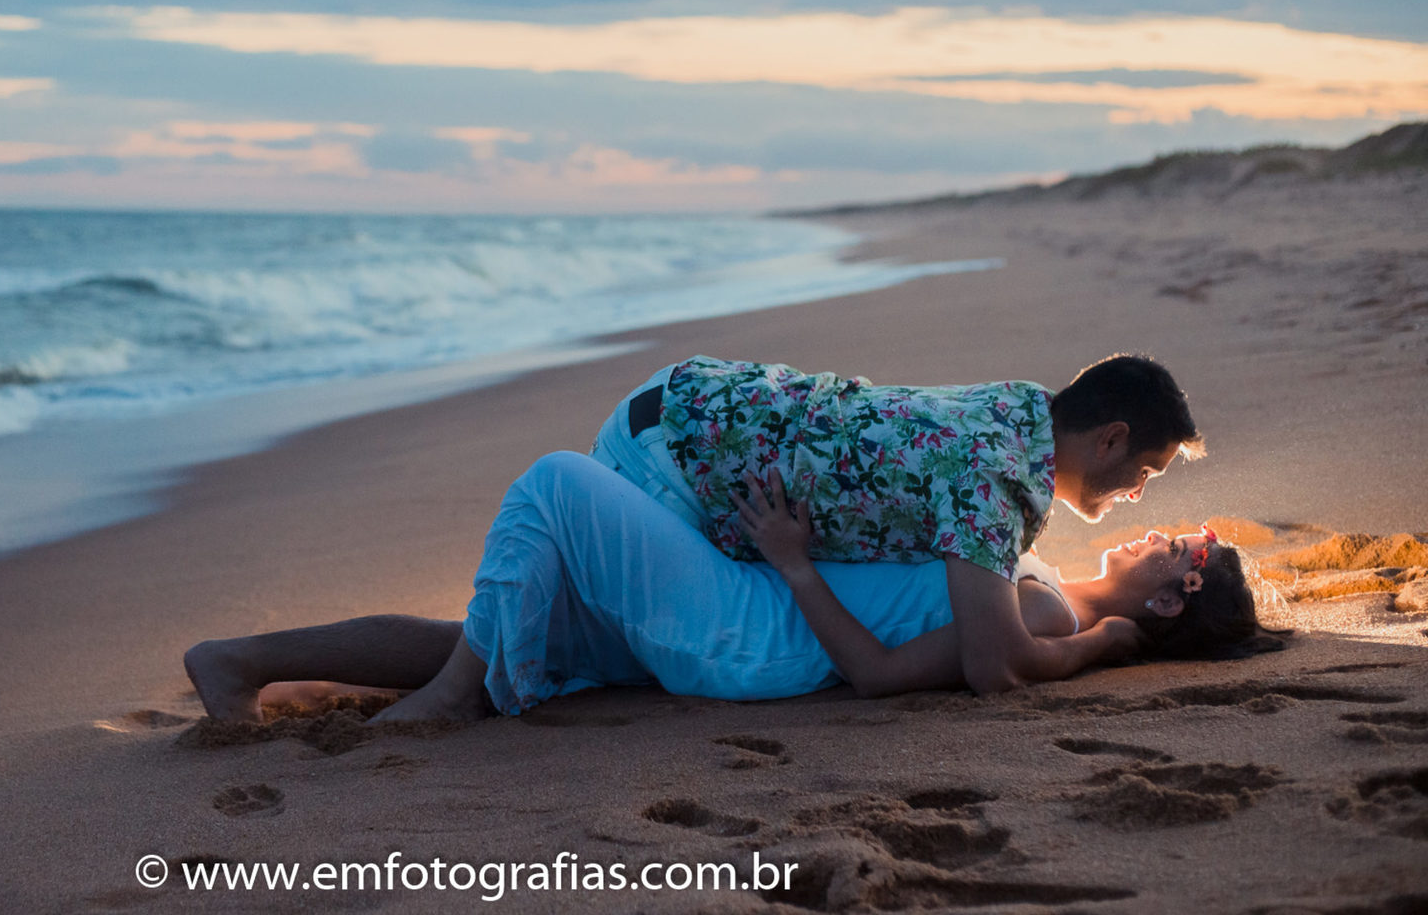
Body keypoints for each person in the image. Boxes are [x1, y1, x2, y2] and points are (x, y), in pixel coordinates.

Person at [184, 451, 1269, 724]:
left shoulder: (1041, 613)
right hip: (742, 609)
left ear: (1171, 598)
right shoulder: (1032, 571)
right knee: (502, 621)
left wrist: (792, 561)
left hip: (754, 636)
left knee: (555, 483)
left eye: (1184, 548)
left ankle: (453, 697)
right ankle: (241, 662)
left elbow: (878, 673)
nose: (1168, 528)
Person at [586, 352, 1205, 694]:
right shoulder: (998, 480)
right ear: (1110, 439)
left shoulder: (1020, 408)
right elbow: (997, 669)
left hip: (695, 396)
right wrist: (1100, 640)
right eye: (1144, 471)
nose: (1137, 493)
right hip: (670, 456)